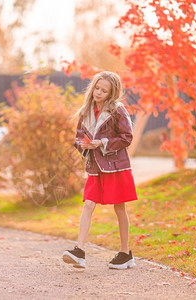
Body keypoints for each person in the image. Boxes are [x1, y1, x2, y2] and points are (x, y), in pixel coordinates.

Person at [62, 71, 138, 270]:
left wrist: (102, 143)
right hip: (95, 167)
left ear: (112, 93)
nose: (99, 92)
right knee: (88, 204)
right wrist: (84, 145)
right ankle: (79, 251)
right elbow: (79, 138)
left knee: (119, 207)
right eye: (97, 88)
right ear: (93, 87)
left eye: (104, 90)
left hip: (115, 167)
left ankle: (125, 253)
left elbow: (127, 137)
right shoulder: (85, 111)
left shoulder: (117, 110)